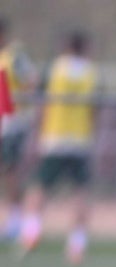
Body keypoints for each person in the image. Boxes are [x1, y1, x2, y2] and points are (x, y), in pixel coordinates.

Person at [18, 30, 98, 264]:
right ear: (84, 47)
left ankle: (31, 233)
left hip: (54, 139)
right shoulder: (91, 72)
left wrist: (36, 135)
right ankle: (76, 245)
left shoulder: (54, 69)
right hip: (80, 140)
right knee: (81, 193)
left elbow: (41, 105)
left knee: (39, 187)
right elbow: (95, 110)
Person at [0, 17, 37, 240]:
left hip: (15, 122)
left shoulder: (14, 55)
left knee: (12, 170)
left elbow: (31, 80)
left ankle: (18, 220)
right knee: (8, 171)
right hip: (5, 123)